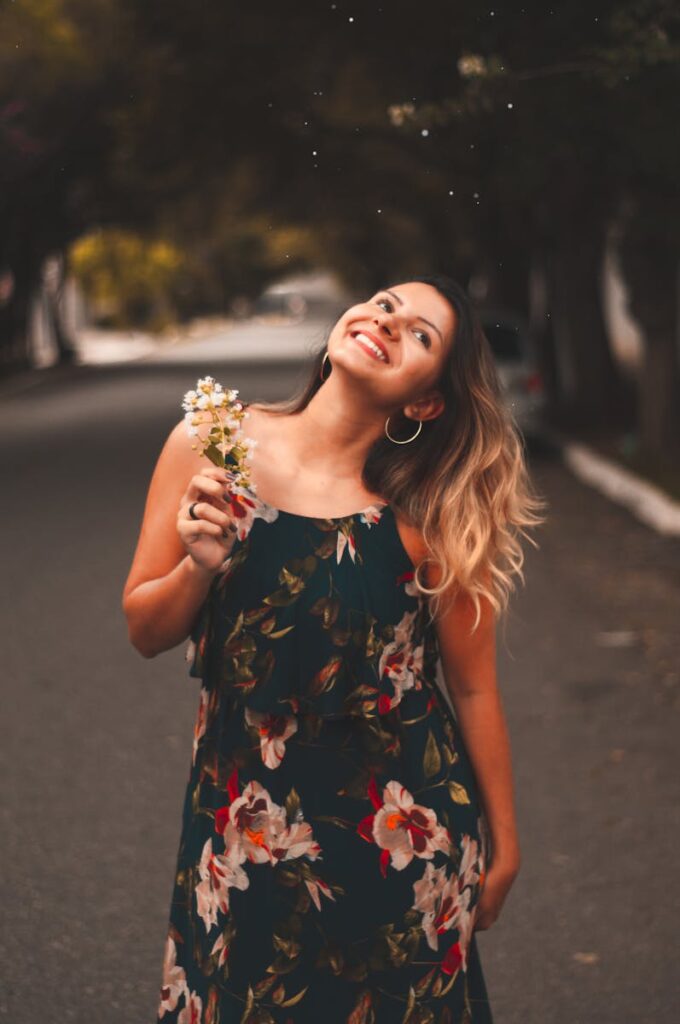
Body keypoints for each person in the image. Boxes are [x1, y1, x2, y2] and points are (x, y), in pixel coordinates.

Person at [122, 274, 546, 1023]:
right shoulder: (212, 445)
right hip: (245, 840)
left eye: (420, 334)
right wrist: (197, 565)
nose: (388, 323)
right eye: (386, 304)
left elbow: (473, 688)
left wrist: (505, 847)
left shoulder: (425, 516)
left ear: (426, 402)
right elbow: (145, 630)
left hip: (398, 854)